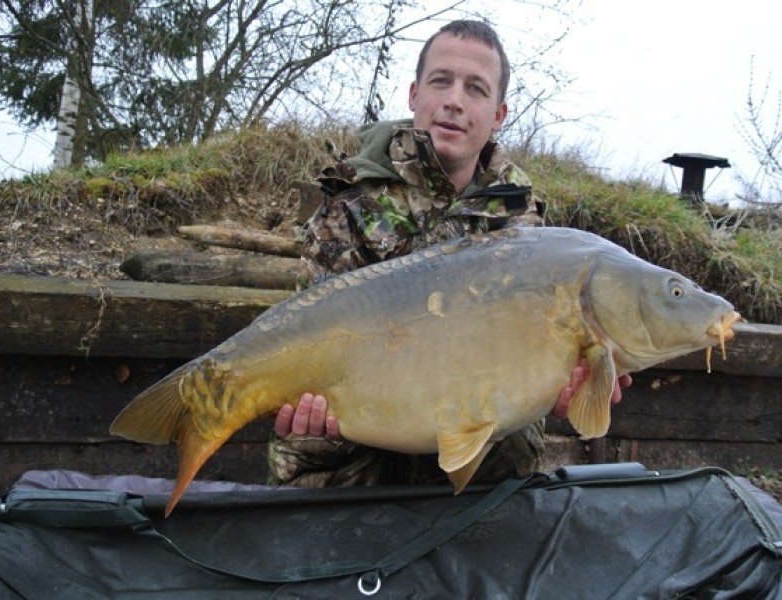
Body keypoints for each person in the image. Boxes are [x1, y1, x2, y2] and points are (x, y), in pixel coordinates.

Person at [269, 19, 630, 488]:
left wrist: (560, 390)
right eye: (442, 81)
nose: (455, 101)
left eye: (475, 89)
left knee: (516, 441)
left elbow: (533, 367)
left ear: (498, 115)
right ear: (415, 94)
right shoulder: (350, 200)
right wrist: (308, 415)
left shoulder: (521, 223)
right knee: (308, 434)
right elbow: (311, 332)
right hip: (358, 431)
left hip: (472, 446)